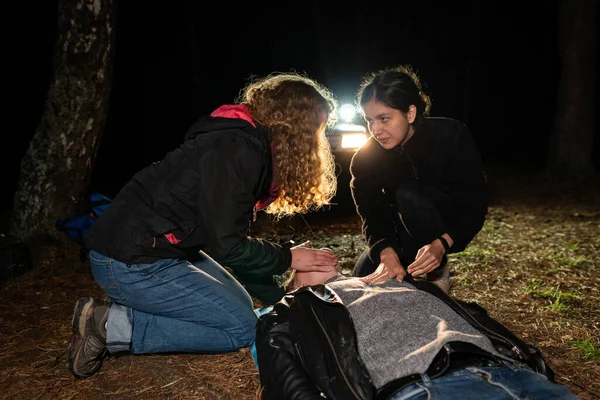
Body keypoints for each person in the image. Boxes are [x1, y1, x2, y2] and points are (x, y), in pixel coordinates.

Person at [66, 72, 341, 379]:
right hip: (128, 261)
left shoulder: (247, 143)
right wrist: (288, 258)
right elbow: (228, 246)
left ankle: (137, 308)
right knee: (241, 328)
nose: (319, 140)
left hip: (158, 248)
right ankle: (107, 324)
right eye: (318, 129)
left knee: (244, 308)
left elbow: (227, 239)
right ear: (298, 127)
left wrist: (282, 293)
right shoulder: (238, 149)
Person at [255, 269, 580, 399]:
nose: (319, 252)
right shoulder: (301, 303)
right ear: (296, 283)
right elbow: (277, 354)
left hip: (514, 372)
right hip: (425, 385)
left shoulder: (397, 278)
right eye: (308, 257)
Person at [349, 65, 488, 292]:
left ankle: (436, 271)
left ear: (410, 113)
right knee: (361, 281)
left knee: (409, 194)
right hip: (399, 235)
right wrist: (386, 253)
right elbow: (372, 214)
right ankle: (402, 263)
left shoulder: (451, 136)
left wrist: (443, 243)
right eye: (370, 120)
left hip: (442, 226)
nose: (376, 129)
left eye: (384, 118)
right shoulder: (365, 158)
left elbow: (475, 203)